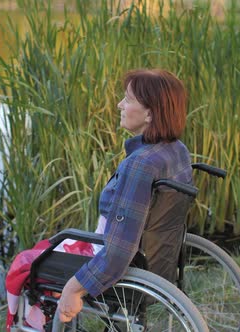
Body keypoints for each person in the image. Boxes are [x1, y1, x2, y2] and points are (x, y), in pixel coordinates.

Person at [56, 68, 193, 323]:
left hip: (119, 261)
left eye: (128, 100)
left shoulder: (140, 165)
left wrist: (73, 288)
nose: (120, 104)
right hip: (161, 259)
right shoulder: (176, 150)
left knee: (25, 266)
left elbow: (119, 250)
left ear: (150, 113)